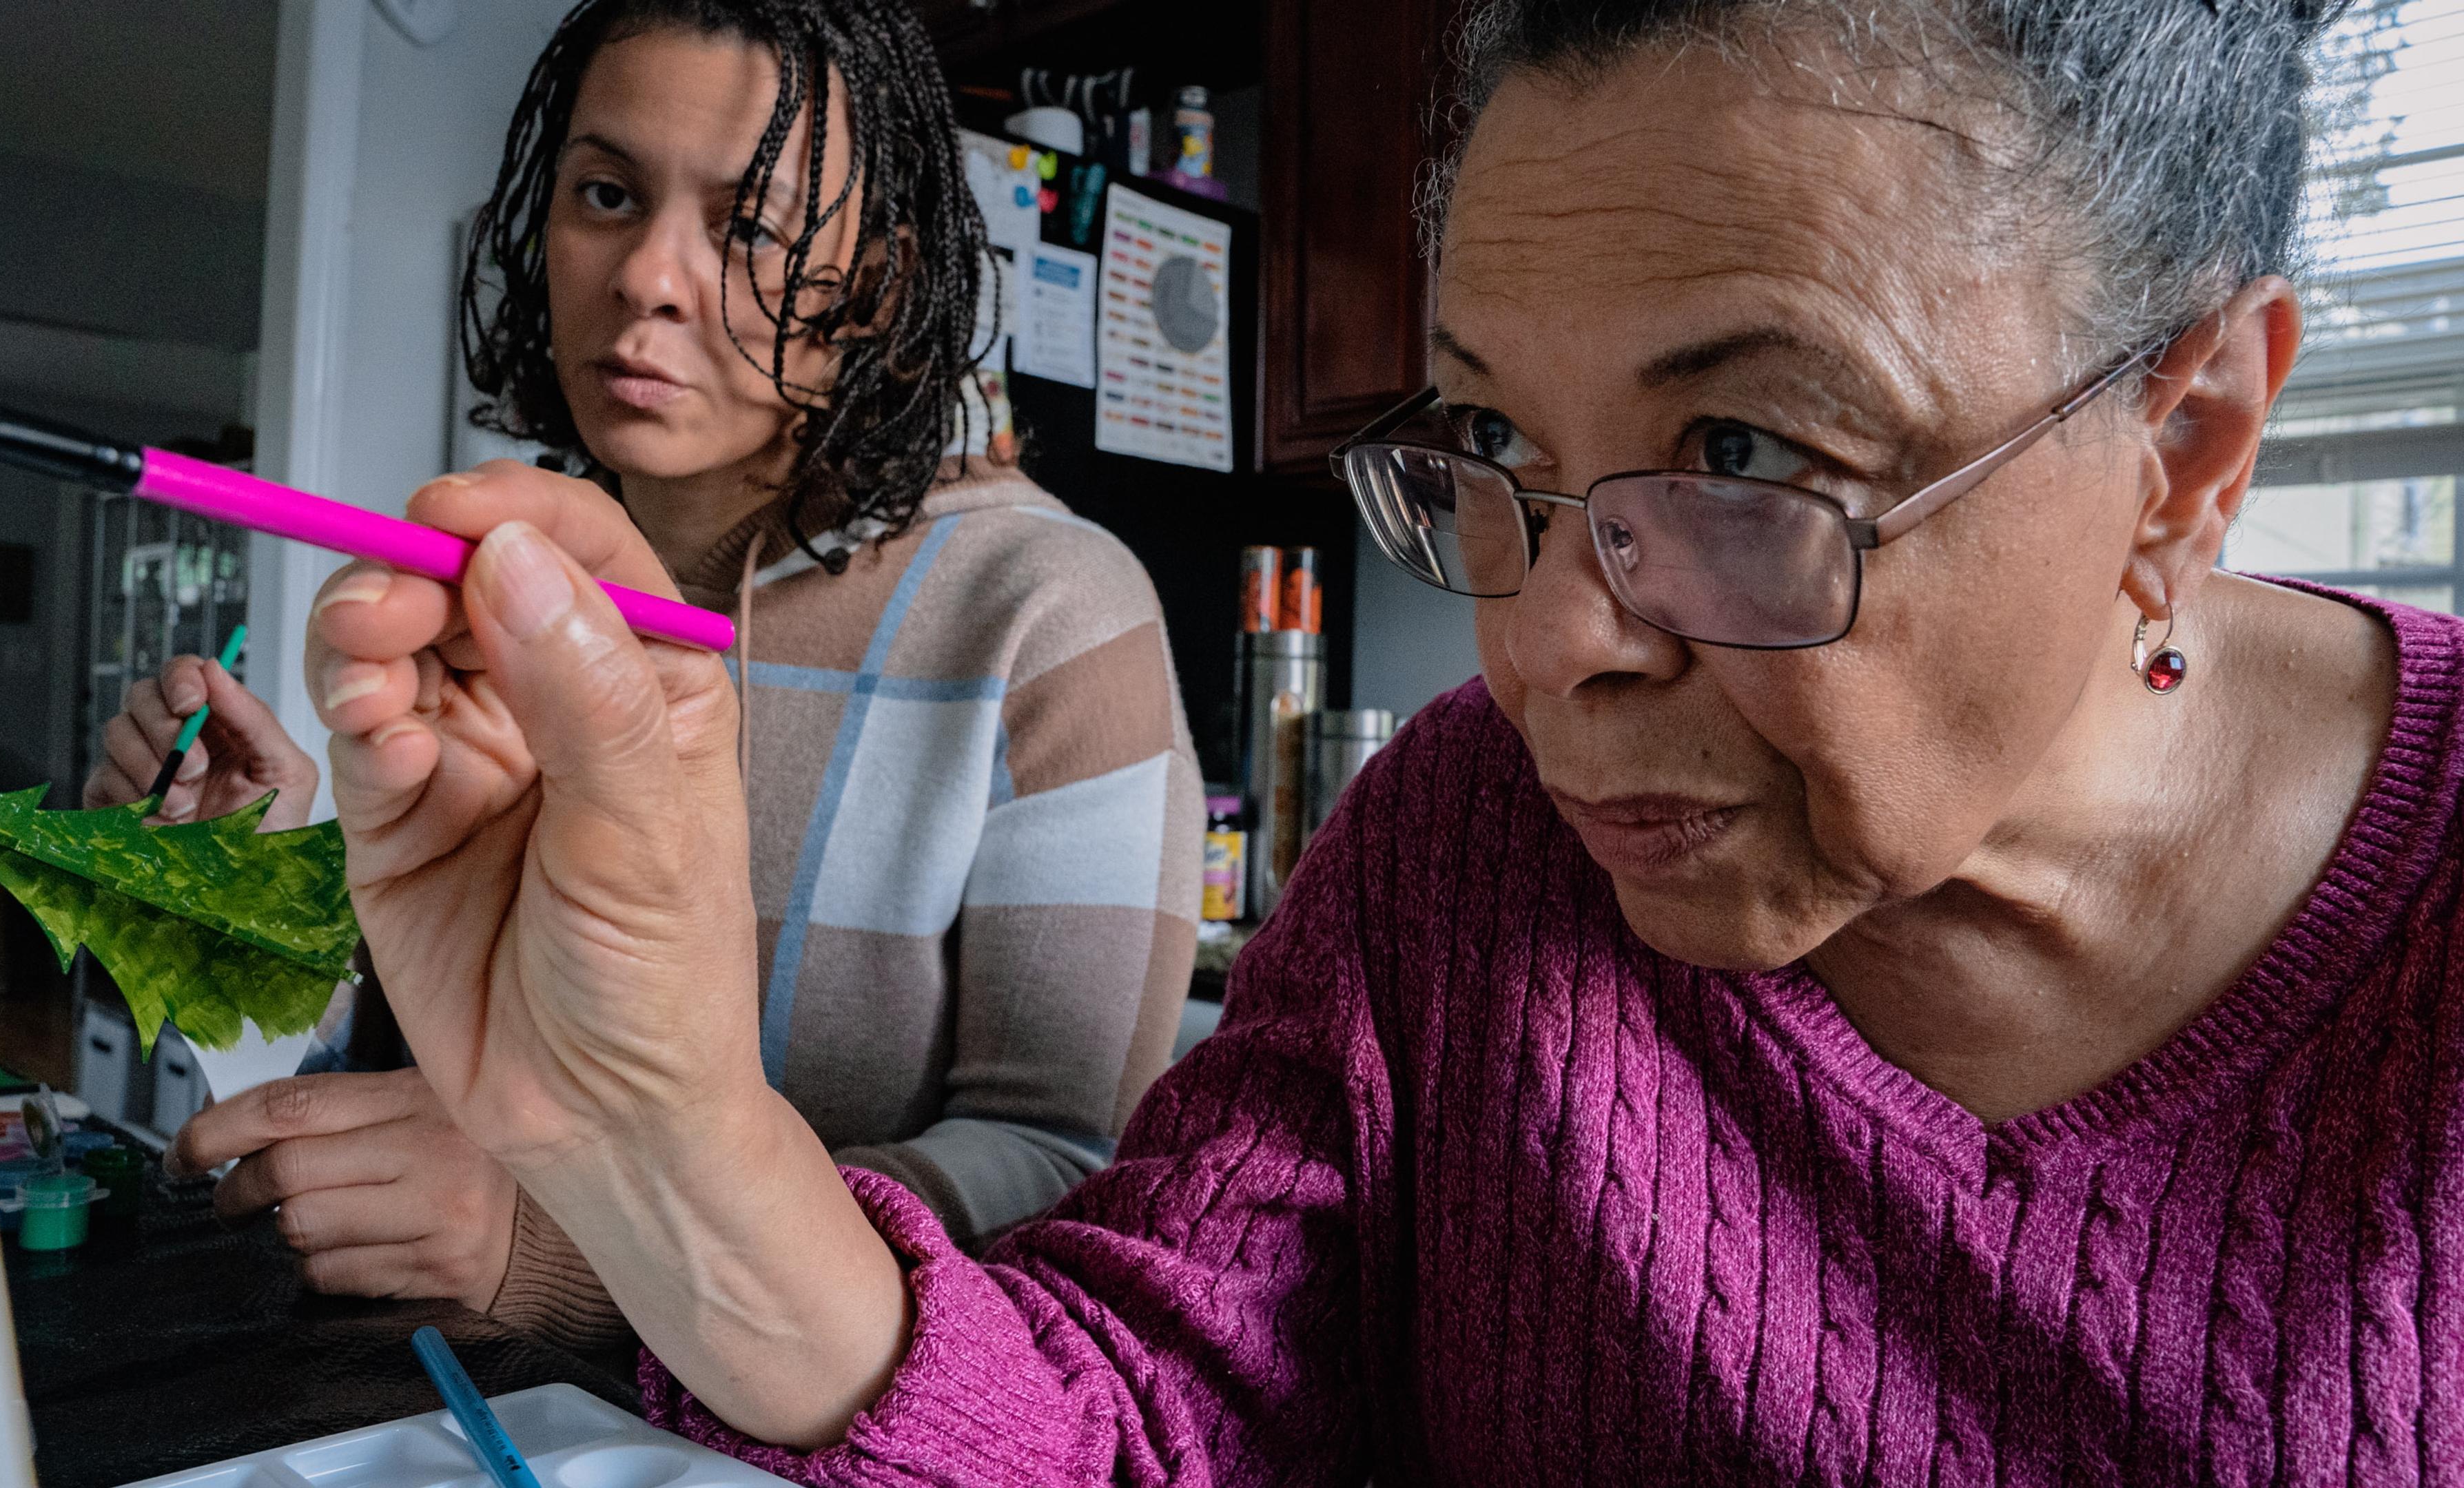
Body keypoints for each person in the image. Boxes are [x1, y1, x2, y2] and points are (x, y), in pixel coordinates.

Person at [298, 0, 2464, 1477]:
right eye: (1496, 438)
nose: (1535, 651)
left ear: (2185, 448)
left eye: (1740, 446)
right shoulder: (1464, 848)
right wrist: (665, 1133)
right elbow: (1139, 1423)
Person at [83, 0, 1201, 1354]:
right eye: (606, 194)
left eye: (752, 226)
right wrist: (245, 896)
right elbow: (409, 1077)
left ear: (881, 285)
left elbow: (1068, 1172)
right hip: (428, 1400)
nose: (650, 278)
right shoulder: (497, 578)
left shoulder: (1047, 615)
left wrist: (574, 1249)